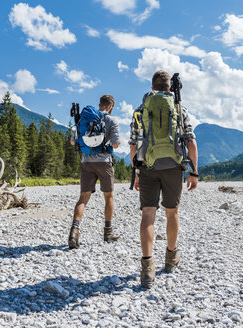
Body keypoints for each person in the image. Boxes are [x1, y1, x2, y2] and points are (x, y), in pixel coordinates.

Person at [129, 70, 198, 289]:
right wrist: (194, 172)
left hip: (148, 166)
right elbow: (191, 142)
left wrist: (137, 172)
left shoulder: (141, 109)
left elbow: (133, 144)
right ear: (170, 87)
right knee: (172, 212)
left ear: (152, 87)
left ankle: (147, 268)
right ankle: (170, 258)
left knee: (148, 214)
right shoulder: (179, 107)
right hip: (173, 168)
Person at [68, 95, 120, 249]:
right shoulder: (112, 120)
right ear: (110, 106)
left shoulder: (83, 119)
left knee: (83, 198)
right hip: (104, 163)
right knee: (108, 196)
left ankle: (74, 232)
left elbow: (73, 141)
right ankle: (108, 232)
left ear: (99, 105)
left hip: (86, 162)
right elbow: (116, 144)